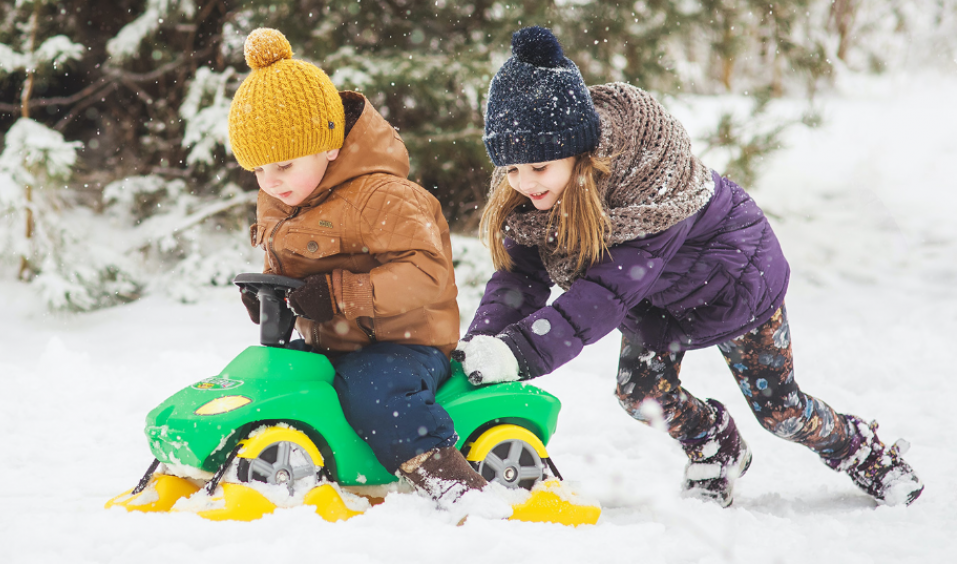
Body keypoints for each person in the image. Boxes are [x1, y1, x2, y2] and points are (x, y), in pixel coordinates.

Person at [453, 26, 923, 507]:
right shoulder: (535, 193)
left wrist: (519, 352)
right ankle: (717, 446)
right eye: (511, 169)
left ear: (581, 154)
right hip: (657, 304)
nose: (525, 183)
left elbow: (602, 294)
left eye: (538, 168)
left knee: (780, 410)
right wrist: (485, 345)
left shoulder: (652, 191)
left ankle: (866, 454)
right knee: (640, 394)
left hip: (736, 286)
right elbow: (519, 278)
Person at [227, 28, 489, 506]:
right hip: (332, 343)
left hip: (403, 345)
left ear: (329, 145)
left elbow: (429, 275)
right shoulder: (283, 198)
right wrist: (273, 297)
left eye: (283, 165)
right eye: (259, 170)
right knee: (278, 381)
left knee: (376, 394)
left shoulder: (383, 196)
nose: (271, 182)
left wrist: (342, 295)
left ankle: (452, 482)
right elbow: (290, 265)